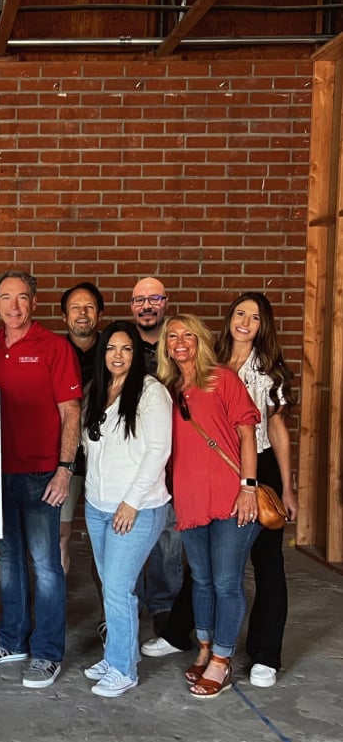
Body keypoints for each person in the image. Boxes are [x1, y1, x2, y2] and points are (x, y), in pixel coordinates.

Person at [0, 270, 81, 689]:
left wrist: (65, 470)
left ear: (34, 302)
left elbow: (71, 411)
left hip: (41, 475)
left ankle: (48, 651)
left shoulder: (55, 347)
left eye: (22, 298)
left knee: (47, 565)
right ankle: (13, 639)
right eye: (6, 298)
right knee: (10, 561)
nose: (14, 306)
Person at [157, 314, 260, 698]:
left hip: (231, 497)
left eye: (188, 335)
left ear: (201, 340)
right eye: (172, 337)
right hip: (191, 498)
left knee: (226, 581)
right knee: (200, 579)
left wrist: (248, 487)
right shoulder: (167, 389)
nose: (180, 342)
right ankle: (203, 648)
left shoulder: (223, 379)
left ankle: (222, 659)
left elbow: (247, 436)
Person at [81, 321, 172, 697]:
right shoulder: (98, 390)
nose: (118, 356)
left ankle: (124, 669)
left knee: (119, 589)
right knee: (111, 588)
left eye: (126, 349)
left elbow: (158, 451)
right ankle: (116, 652)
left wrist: (131, 502)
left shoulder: (151, 393)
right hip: (97, 506)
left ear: (137, 354)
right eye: (111, 349)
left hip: (136, 509)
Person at [217, 293, 297, 686]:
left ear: (264, 325)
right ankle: (185, 632)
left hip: (261, 463)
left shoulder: (271, 371)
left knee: (267, 563)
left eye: (255, 317)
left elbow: (279, 430)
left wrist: (289, 487)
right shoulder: (209, 361)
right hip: (218, 466)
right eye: (239, 313)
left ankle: (266, 653)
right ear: (229, 319)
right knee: (207, 555)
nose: (245, 321)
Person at [129, 276, 183, 637]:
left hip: (177, 454)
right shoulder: (123, 345)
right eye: (139, 300)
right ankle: (124, 607)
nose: (147, 306)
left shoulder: (179, 345)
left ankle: (164, 606)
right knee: (128, 533)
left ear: (165, 303)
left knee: (169, 535)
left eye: (154, 299)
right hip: (130, 456)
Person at [59, 281, 104, 575]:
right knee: (59, 536)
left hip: (107, 458)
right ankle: (56, 614)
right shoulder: (55, 351)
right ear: (65, 316)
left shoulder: (114, 349)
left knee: (107, 541)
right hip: (67, 458)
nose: (83, 313)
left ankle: (109, 615)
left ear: (99, 313)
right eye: (75, 308)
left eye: (89, 307)